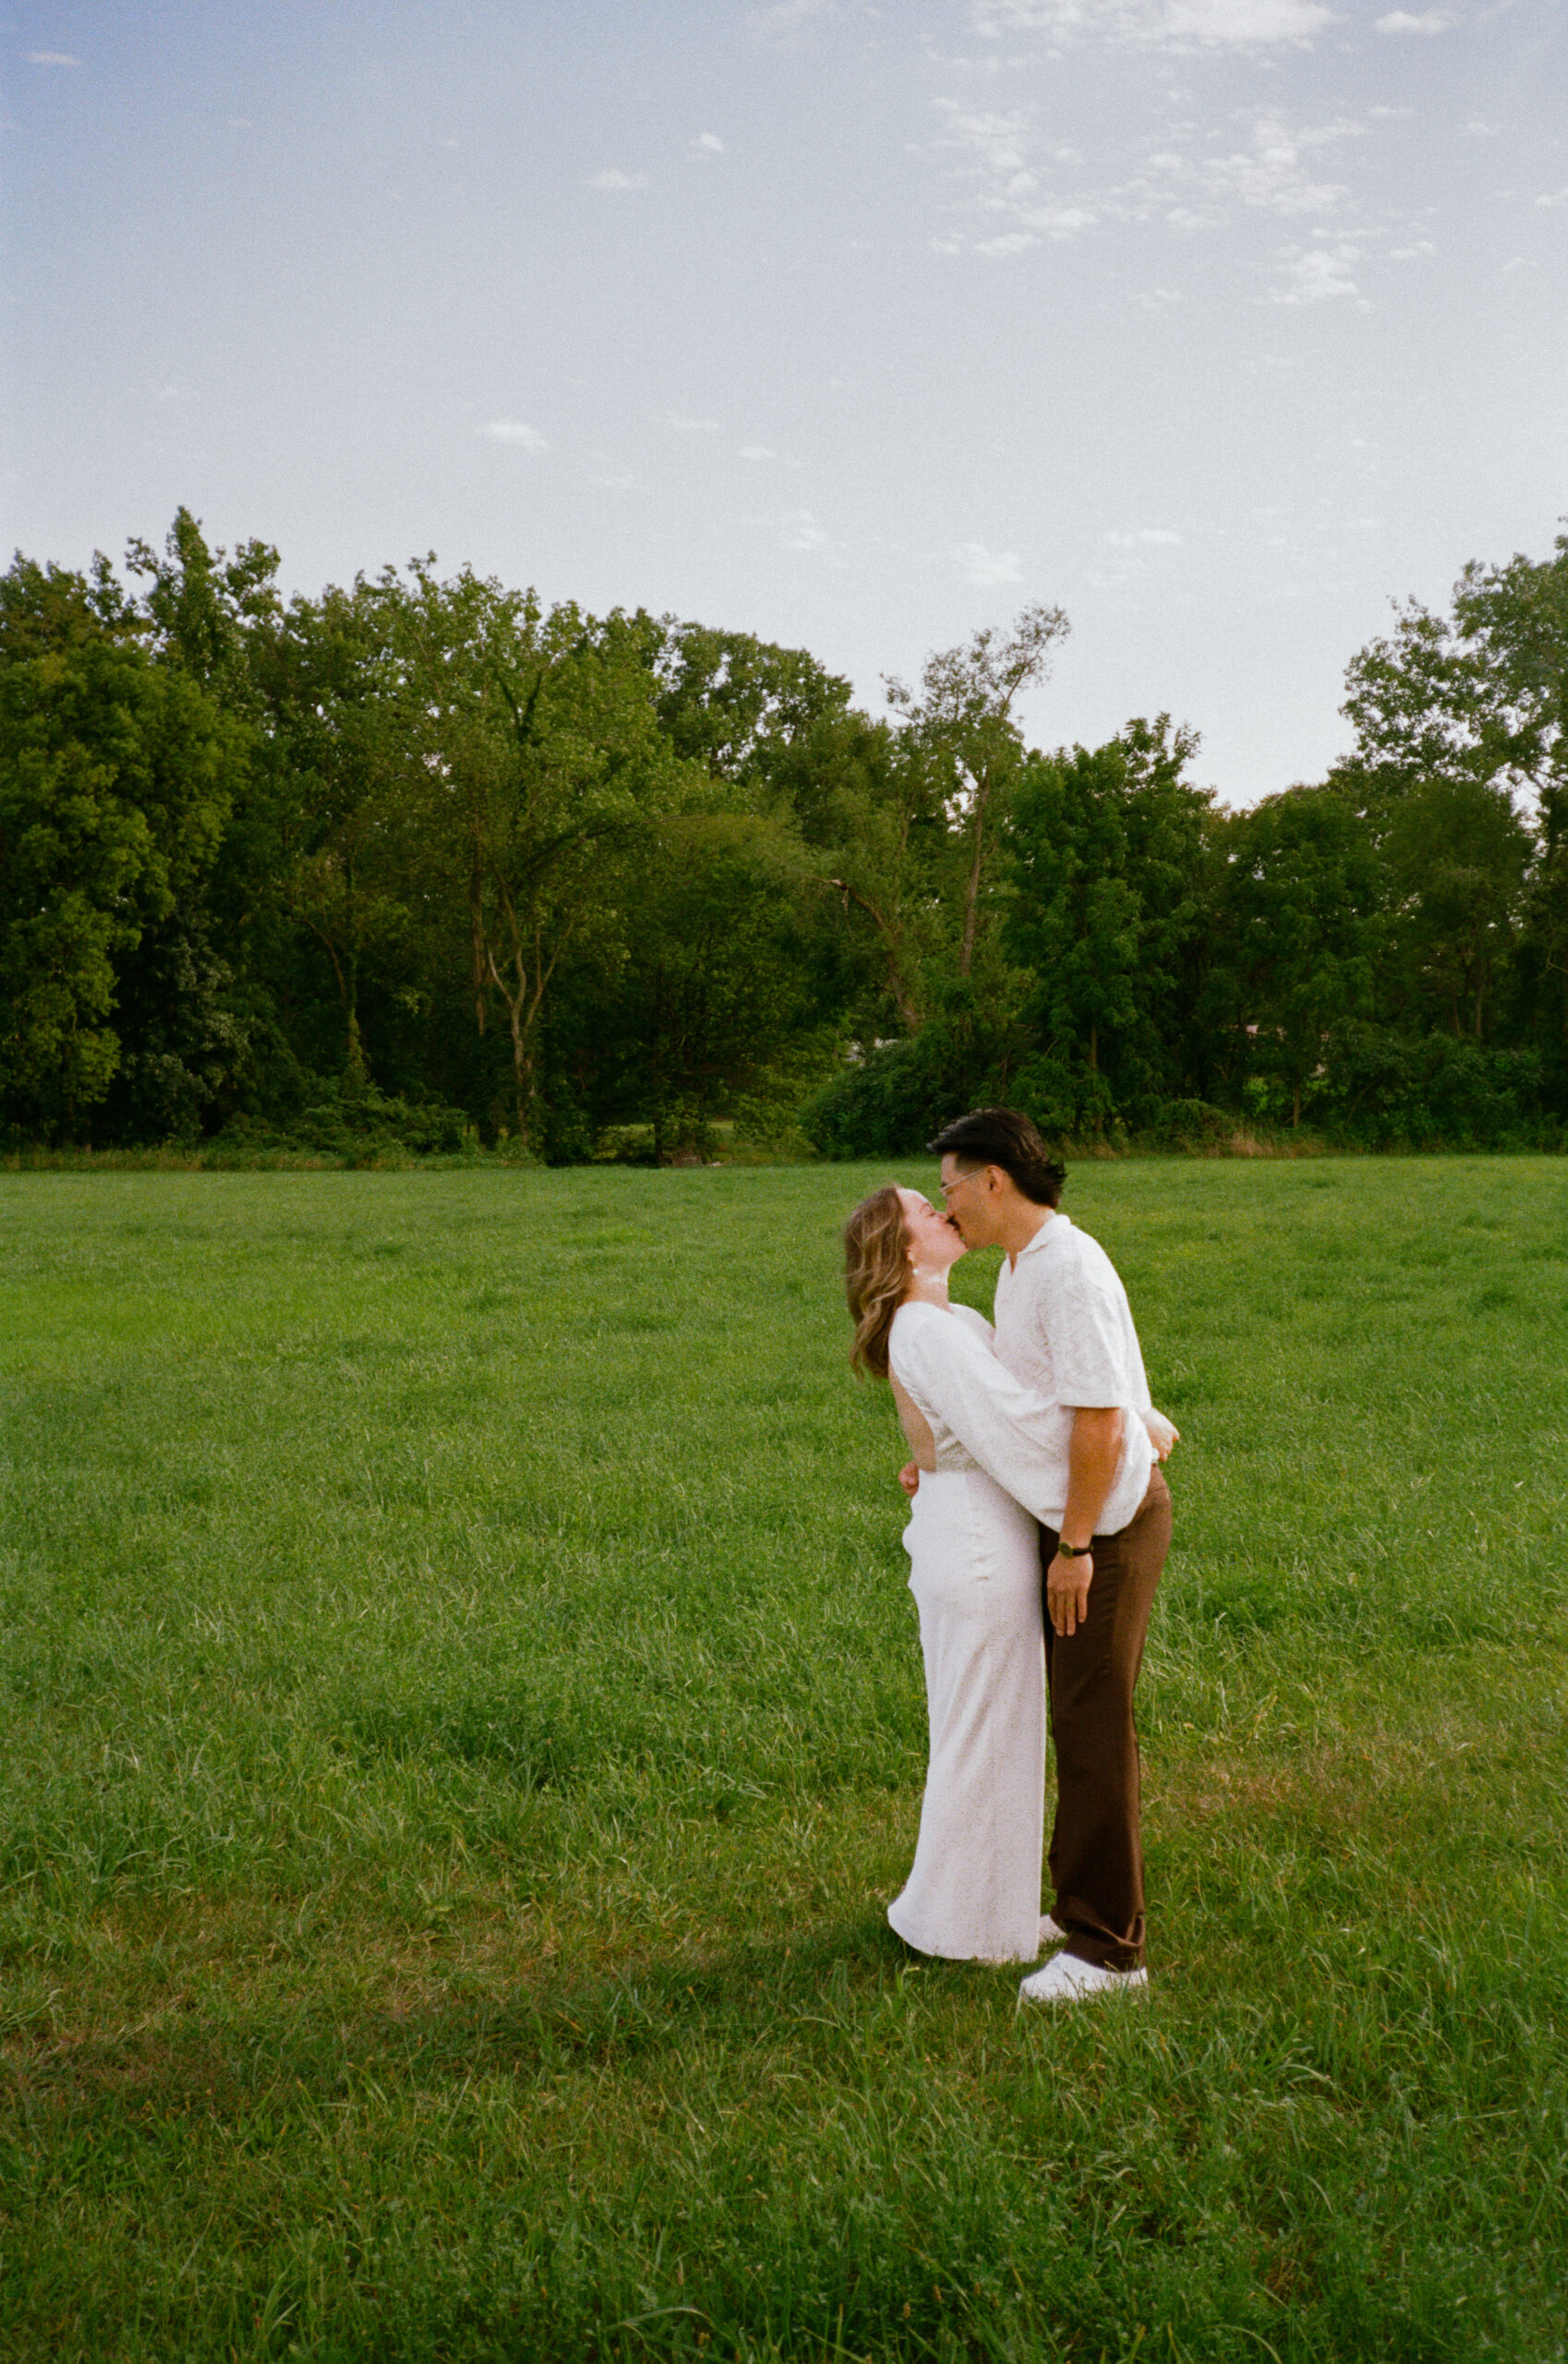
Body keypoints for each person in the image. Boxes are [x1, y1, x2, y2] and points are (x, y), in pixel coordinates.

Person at [841, 1184, 1176, 1973]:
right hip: (980, 1554)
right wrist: (1108, 1475)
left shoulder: (952, 1320)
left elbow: (1025, 1399)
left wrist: (1131, 1408)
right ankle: (961, 1927)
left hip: (984, 1531)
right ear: (903, 1251)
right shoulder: (925, 1328)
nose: (942, 1212)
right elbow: (1021, 1430)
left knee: (1000, 1732)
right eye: (924, 1211)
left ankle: (986, 1913)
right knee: (983, 1736)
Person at [927, 1108, 1173, 2007]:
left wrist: (1073, 1545)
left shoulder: (1065, 1265)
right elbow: (1057, 1396)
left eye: (952, 1184)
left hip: (1103, 1529)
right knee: (1067, 1715)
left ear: (995, 1178)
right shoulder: (1027, 1265)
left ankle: (1111, 1951)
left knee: (1092, 1722)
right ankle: (1069, 1913)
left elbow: (1098, 1418)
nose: (946, 1203)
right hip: (1081, 1518)